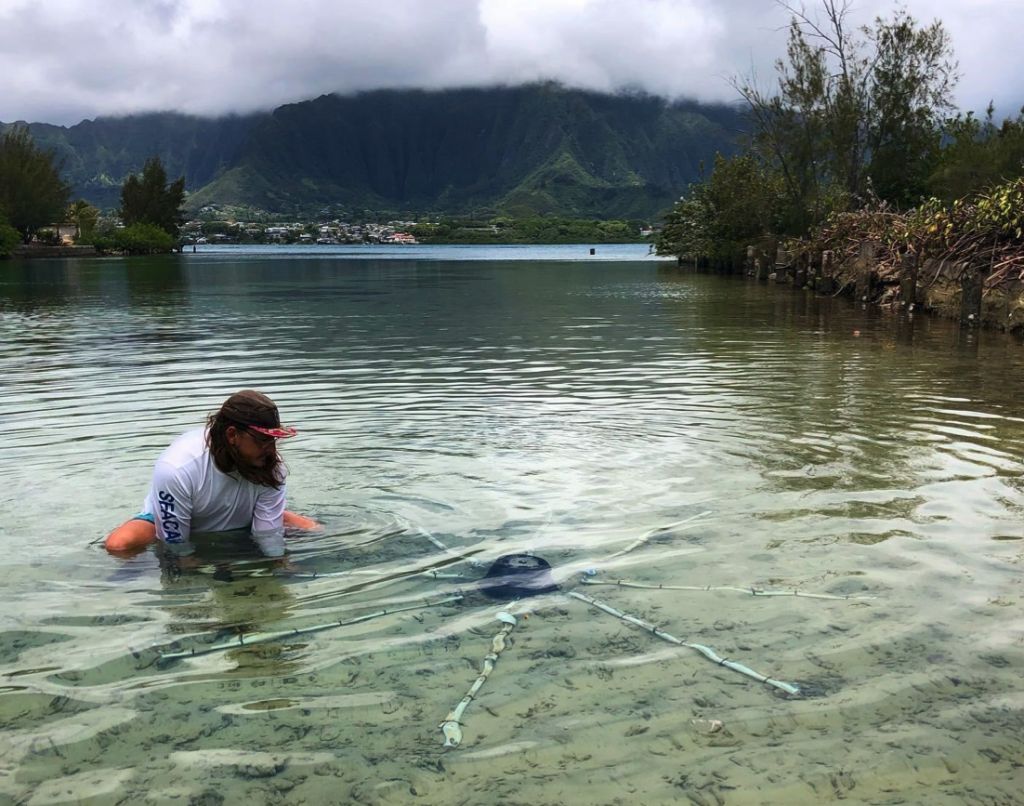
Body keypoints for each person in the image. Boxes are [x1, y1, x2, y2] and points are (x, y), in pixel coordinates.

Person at [104, 390, 318, 562]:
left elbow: (267, 535)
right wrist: (198, 569)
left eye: (273, 440)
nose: (272, 449)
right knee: (119, 545)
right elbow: (174, 543)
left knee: (316, 531)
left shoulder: (271, 465)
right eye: (262, 440)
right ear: (232, 435)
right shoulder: (177, 468)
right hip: (177, 522)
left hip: (244, 518)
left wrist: (278, 563)